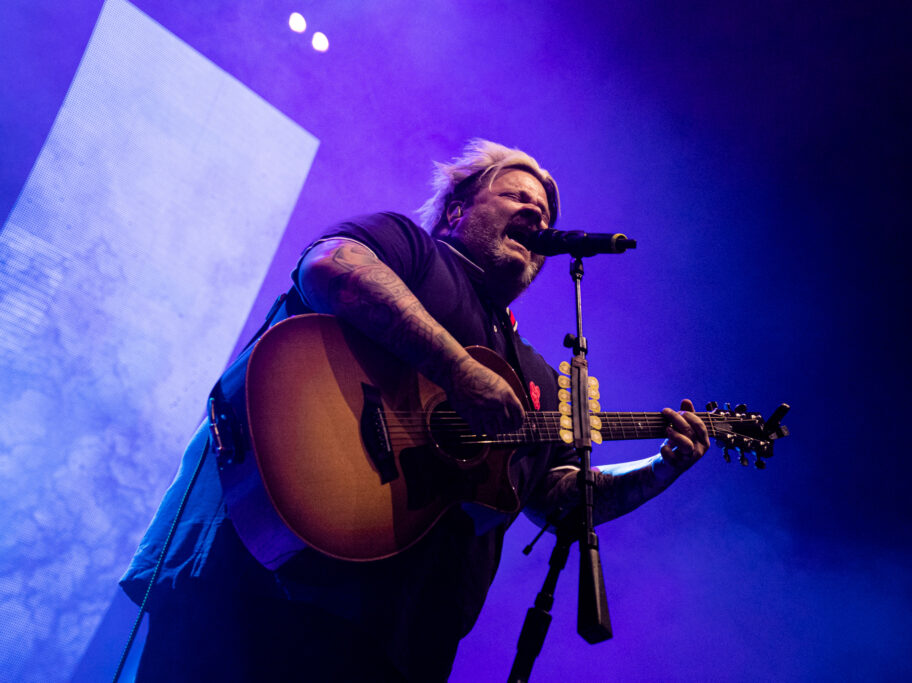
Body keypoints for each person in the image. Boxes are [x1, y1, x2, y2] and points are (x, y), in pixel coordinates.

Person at [120, 139, 710, 681]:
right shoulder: (412, 250)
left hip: (400, 639)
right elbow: (331, 268)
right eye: (516, 196)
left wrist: (661, 466)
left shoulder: (538, 378)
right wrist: (458, 371)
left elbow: (558, 501)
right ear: (456, 210)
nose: (537, 215)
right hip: (262, 577)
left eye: (546, 213)